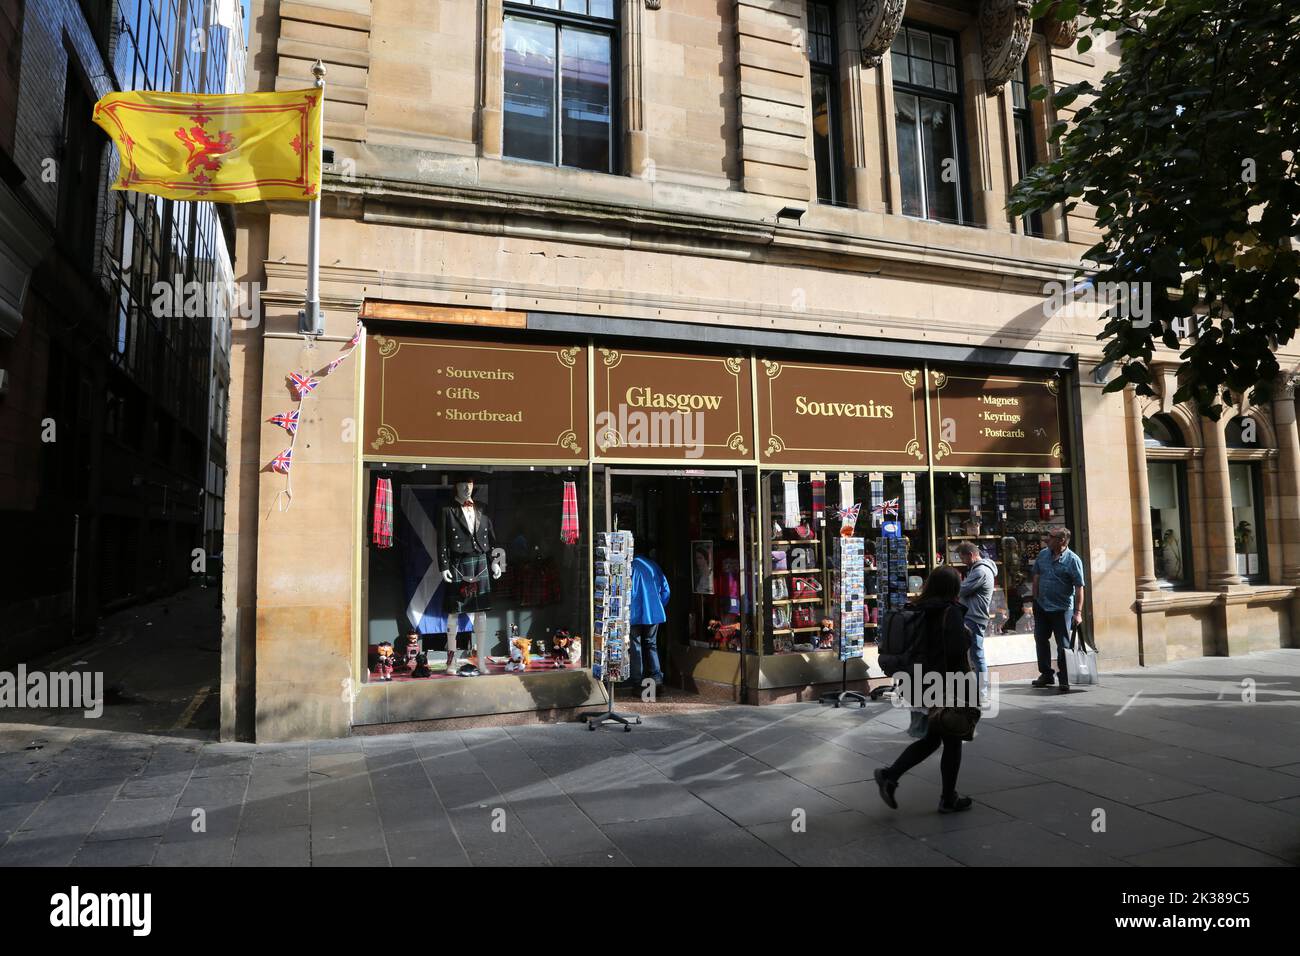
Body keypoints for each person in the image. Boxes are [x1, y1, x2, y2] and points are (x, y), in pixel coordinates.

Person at [873, 566, 976, 814]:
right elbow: (955, 650)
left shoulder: (918, 609)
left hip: (922, 680)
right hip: (948, 682)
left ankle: (890, 775)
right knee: (953, 739)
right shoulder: (949, 612)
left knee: (934, 737)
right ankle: (948, 798)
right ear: (953, 588)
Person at [1031, 526, 1086, 692]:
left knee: (1063, 644)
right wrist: (1034, 598)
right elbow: (1036, 575)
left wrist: (1078, 613)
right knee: (1040, 639)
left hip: (1062, 609)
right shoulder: (1043, 554)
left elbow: (1079, 587)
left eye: (1051, 536)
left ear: (1062, 540)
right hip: (1041, 606)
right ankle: (1046, 674)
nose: (1048, 538)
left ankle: (1065, 676)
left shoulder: (1073, 560)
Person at [956, 541, 997, 702]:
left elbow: (961, 589)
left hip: (974, 617)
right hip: (973, 616)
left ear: (971, 555)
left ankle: (982, 692)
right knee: (972, 653)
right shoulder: (978, 569)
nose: (962, 561)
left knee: (976, 654)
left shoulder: (980, 571)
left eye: (963, 558)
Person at [628, 550, 670, 688]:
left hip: (634, 613)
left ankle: (637, 680)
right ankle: (656, 676)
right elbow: (665, 590)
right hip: (654, 612)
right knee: (651, 644)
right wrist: (658, 605)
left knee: (636, 646)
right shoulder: (652, 565)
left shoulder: (630, 567)